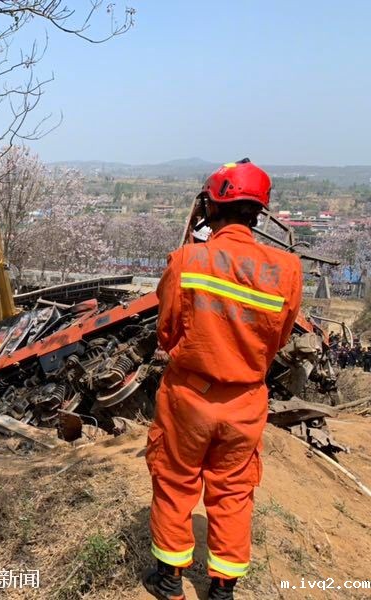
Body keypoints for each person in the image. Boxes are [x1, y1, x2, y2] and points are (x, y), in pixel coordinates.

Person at [145, 160, 302, 600]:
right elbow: (280, 337)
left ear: (210, 206)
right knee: (233, 490)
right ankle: (222, 588)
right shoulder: (288, 270)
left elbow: (167, 330)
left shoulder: (189, 259)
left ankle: (171, 579)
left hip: (188, 397)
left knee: (176, 480)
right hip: (246, 401)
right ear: (259, 212)